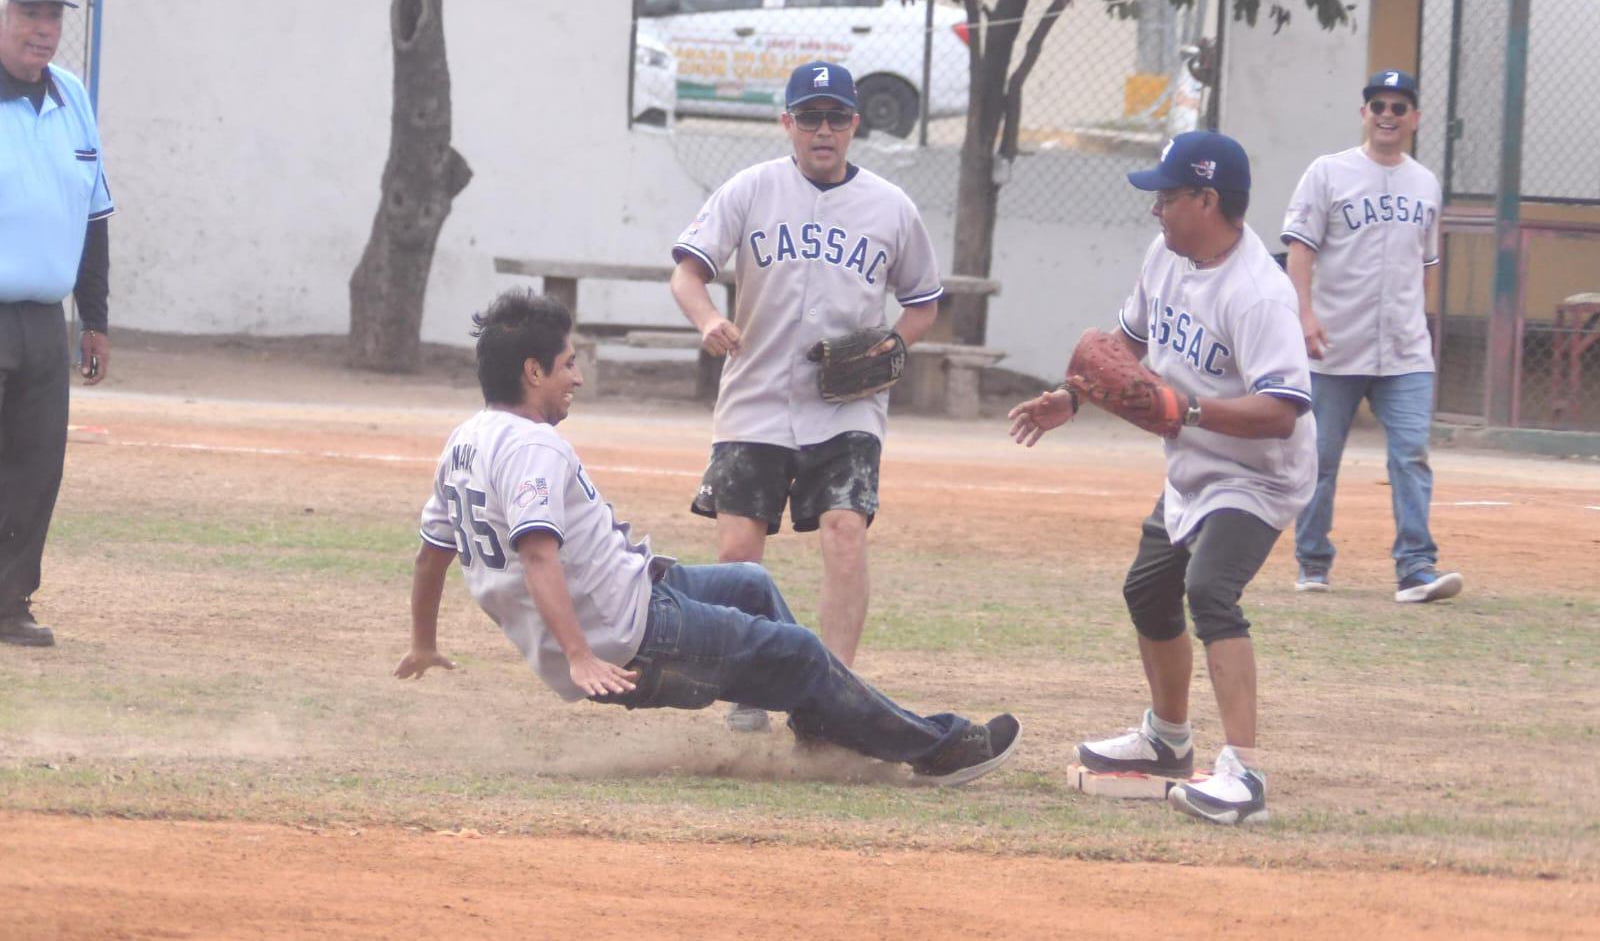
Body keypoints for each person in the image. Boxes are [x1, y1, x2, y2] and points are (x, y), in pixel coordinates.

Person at [392, 290, 1021, 787]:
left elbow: (431, 555)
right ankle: (939, 750)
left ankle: (824, 729)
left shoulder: (464, 441)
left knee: (751, 582)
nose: (575, 378)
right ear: (533, 371)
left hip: (633, 600)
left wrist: (423, 643)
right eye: (567, 364)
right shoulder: (533, 444)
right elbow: (536, 554)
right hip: (630, 637)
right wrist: (581, 654)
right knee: (800, 652)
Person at [1007, 132, 1315, 825]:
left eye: (1168, 197)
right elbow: (1125, 348)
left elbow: (1285, 411)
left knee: (1209, 590)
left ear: (1207, 200)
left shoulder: (1260, 294)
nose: (1156, 210)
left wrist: (1191, 408)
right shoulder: (1166, 257)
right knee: (1148, 589)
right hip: (1195, 464)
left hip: (1258, 474)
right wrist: (1072, 395)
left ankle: (1245, 771)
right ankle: (1168, 740)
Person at [668, 61, 943, 731]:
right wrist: (708, 319)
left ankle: (832, 693)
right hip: (755, 396)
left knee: (846, 532)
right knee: (738, 553)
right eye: (810, 116)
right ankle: (750, 684)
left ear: (856, 124)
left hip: (846, 404)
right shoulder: (752, 189)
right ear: (786, 122)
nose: (824, 130)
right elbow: (688, 271)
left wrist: (891, 349)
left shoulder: (889, 207)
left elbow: (924, 300)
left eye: (838, 116)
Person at [1281, 69, 1464, 604]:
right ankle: (1312, 561)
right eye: (1378, 105)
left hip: (1405, 350)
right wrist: (1304, 315)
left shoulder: (1425, 182)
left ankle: (1416, 568)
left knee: (1410, 454)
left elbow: (1427, 261)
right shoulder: (1328, 172)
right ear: (1364, 113)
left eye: (1399, 106)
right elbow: (1300, 249)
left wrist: (1420, 319)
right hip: (1334, 343)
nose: (1388, 114)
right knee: (1320, 457)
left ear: (1414, 119)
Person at [0, 0, 113, 649]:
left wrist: (94, 318)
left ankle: (9, 604)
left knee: (36, 466)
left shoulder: (71, 94)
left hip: (44, 317)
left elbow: (95, 214)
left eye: (53, 18)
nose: (43, 30)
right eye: (28, 14)